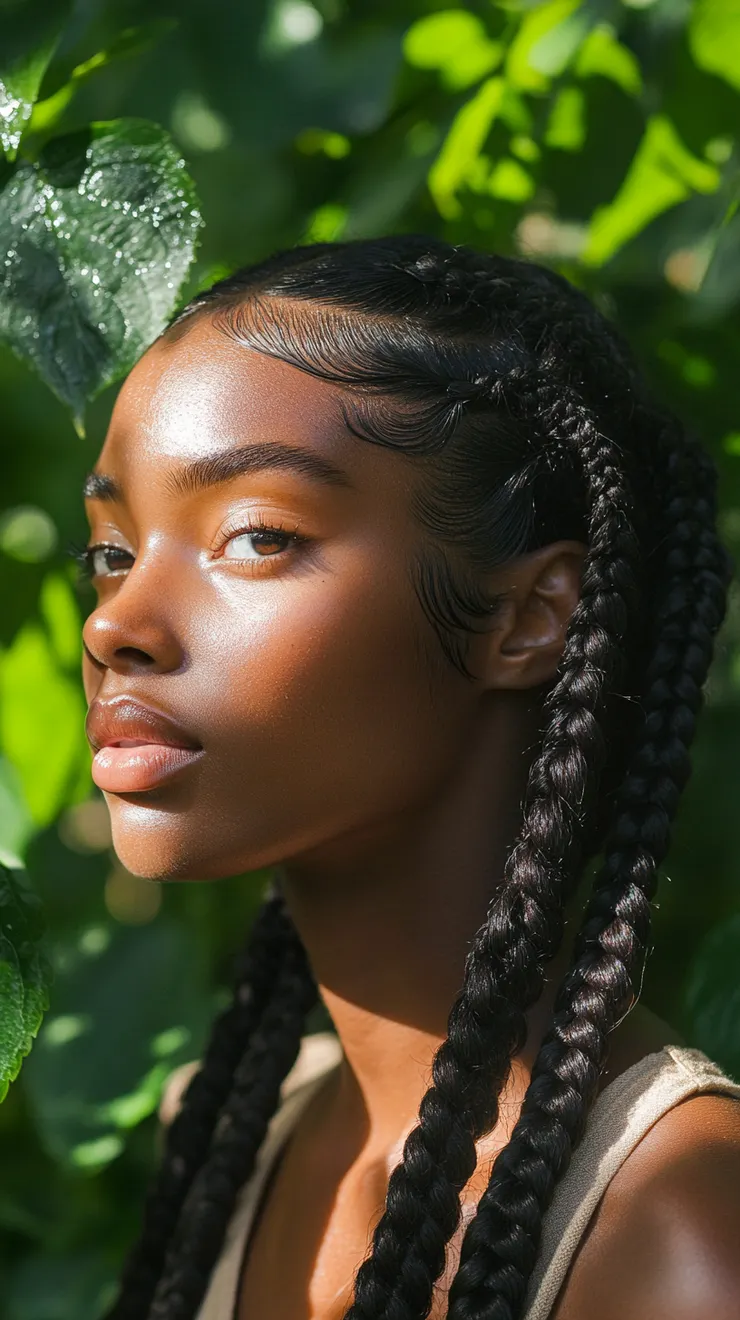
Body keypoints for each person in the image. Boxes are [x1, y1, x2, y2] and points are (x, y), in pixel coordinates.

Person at [77, 236, 740, 1320]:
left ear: (527, 617)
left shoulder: (676, 1233)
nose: (115, 626)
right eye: (111, 553)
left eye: (255, 537)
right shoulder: (235, 1145)